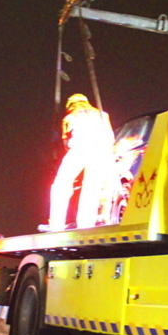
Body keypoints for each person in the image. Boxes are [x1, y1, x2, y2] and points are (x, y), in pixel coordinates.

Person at [45, 93, 115, 231]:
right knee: (91, 187)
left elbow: (65, 143)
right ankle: (86, 225)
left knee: (62, 185)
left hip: (80, 148)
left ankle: (56, 225)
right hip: (101, 151)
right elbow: (110, 138)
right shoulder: (102, 114)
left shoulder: (70, 116)